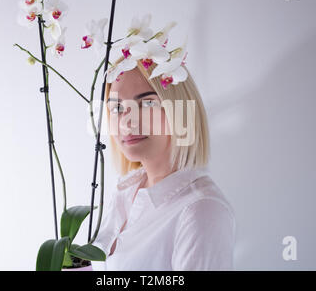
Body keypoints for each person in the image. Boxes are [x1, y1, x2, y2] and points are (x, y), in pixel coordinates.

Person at [90, 54, 236, 271]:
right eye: (117, 108)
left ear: (182, 111)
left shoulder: (201, 211)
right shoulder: (125, 190)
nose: (127, 121)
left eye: (147, 103)